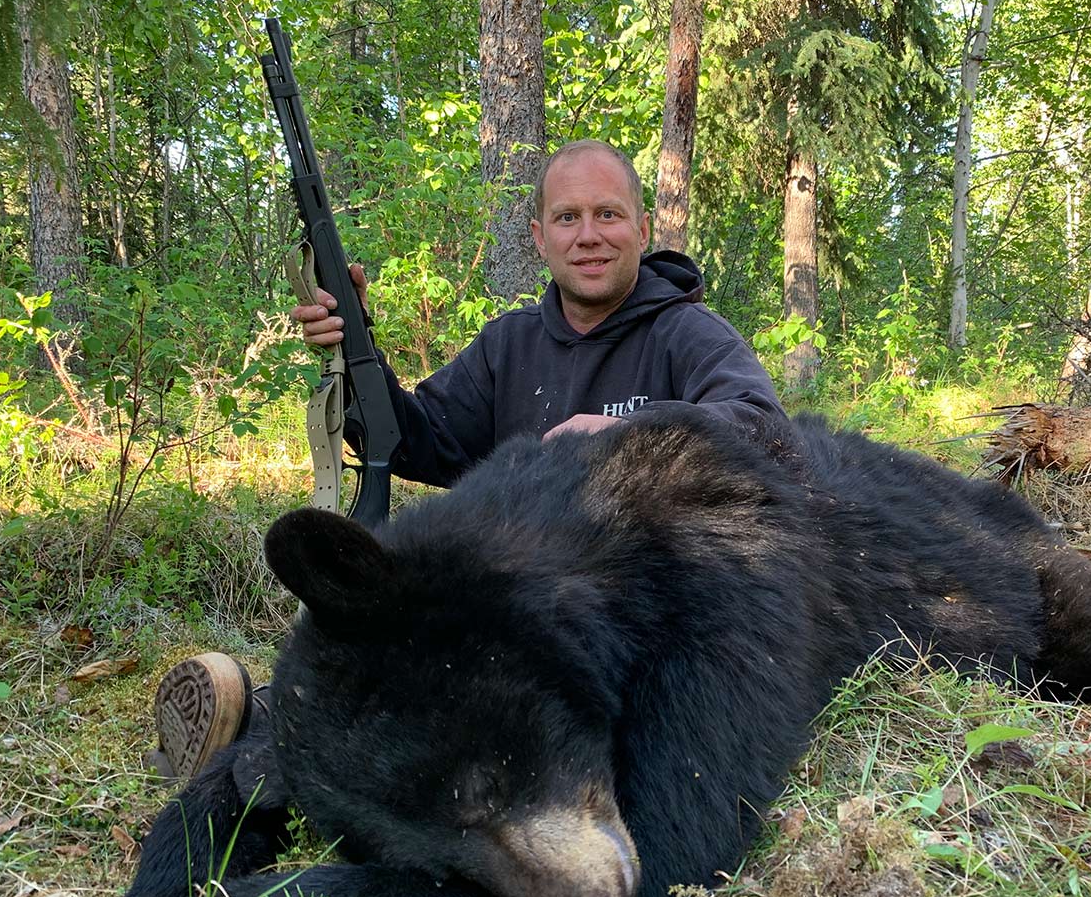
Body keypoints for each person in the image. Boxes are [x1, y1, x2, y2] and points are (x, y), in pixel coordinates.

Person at [149, 139, 785, 780]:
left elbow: (764, 430)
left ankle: (269, 745)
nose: (588, 236)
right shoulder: (509, 345)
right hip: (507, 600)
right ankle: (270, 731)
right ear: (539, 237)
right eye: (568, 218)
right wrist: (355, 348)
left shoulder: (686, 333)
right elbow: (419, 438)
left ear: (643, 230)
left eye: (608, 215)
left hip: (632, 613)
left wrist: (625, 432)